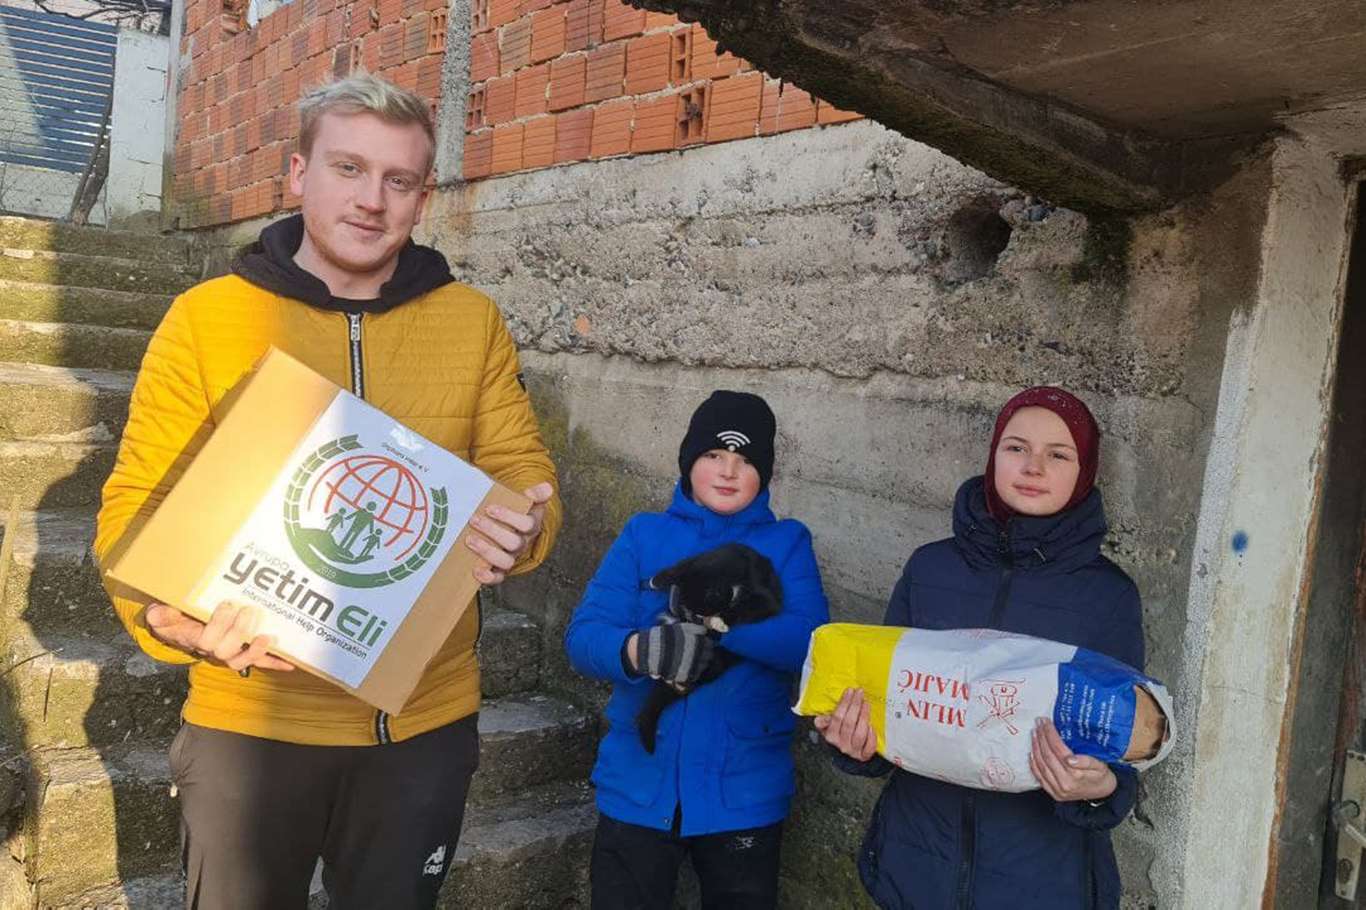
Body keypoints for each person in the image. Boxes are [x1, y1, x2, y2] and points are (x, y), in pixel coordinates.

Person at [93, 73, 562, 910]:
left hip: (421, 724)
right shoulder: (206, 318)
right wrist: (167, 617)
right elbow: (135, 506)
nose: (371, 200)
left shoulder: (471, 321)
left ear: (422, 198)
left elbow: (522, 467)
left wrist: (526, 523)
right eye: (348, 168)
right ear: (298, 173)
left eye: (398, 180)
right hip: (250, 720)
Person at [817, 386, 1145, 909]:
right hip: (916, 865)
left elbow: (1127, 753)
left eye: (1058, 455)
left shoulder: (1109, 597)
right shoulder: (930, 569)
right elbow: (888, 707)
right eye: (1016, 448)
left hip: (1041, 882)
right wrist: (854, 744)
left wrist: (1099, 788)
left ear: (1084, 472)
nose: (1033, 466)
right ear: (993, 456)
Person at [564, 391, 829, 909]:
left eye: (745, 460)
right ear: (688, 460)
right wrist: (638, 650)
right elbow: (583, 636)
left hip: (744, 793)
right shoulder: (644, 535)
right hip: (638, 782)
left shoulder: (788, 543)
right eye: (713, 454)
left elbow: (811, 642)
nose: (728, 471)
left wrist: (718, 626)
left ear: (764, 473)